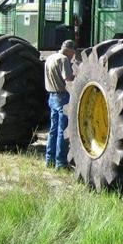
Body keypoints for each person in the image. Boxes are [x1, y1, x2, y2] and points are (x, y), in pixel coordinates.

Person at [44, 39, 76, 169]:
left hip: (51, 96)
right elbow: (68, 78)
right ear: (69, 50)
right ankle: (60, 162)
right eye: (73, 53)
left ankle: (49, 159)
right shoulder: (63, 59)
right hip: (62, 97)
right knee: (62, 131)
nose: (73, 56)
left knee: (53, 130)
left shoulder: (50, 58)